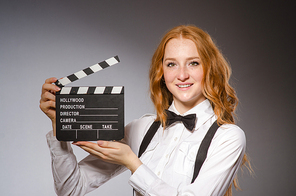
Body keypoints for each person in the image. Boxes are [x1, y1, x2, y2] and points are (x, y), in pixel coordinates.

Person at [40, 25, 250, 196]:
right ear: (161, 72)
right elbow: (71, 190)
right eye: (171, 64)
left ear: (209, 69)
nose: (182, 75)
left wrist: (133, 163)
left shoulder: (228, 137)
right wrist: (60, 128)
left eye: (193, 63)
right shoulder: (140, 129)